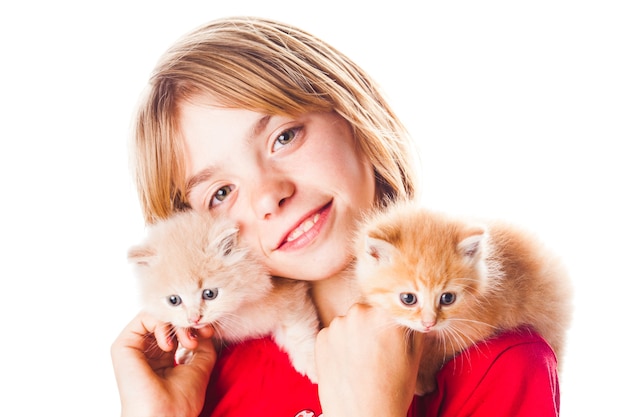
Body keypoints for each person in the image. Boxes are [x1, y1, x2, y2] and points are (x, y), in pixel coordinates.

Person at [111, 16, 560, 417]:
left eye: (284, 136)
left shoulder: (499, 363)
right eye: (222, 191)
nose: (270, 195)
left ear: (354, 115)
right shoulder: (208, 376)